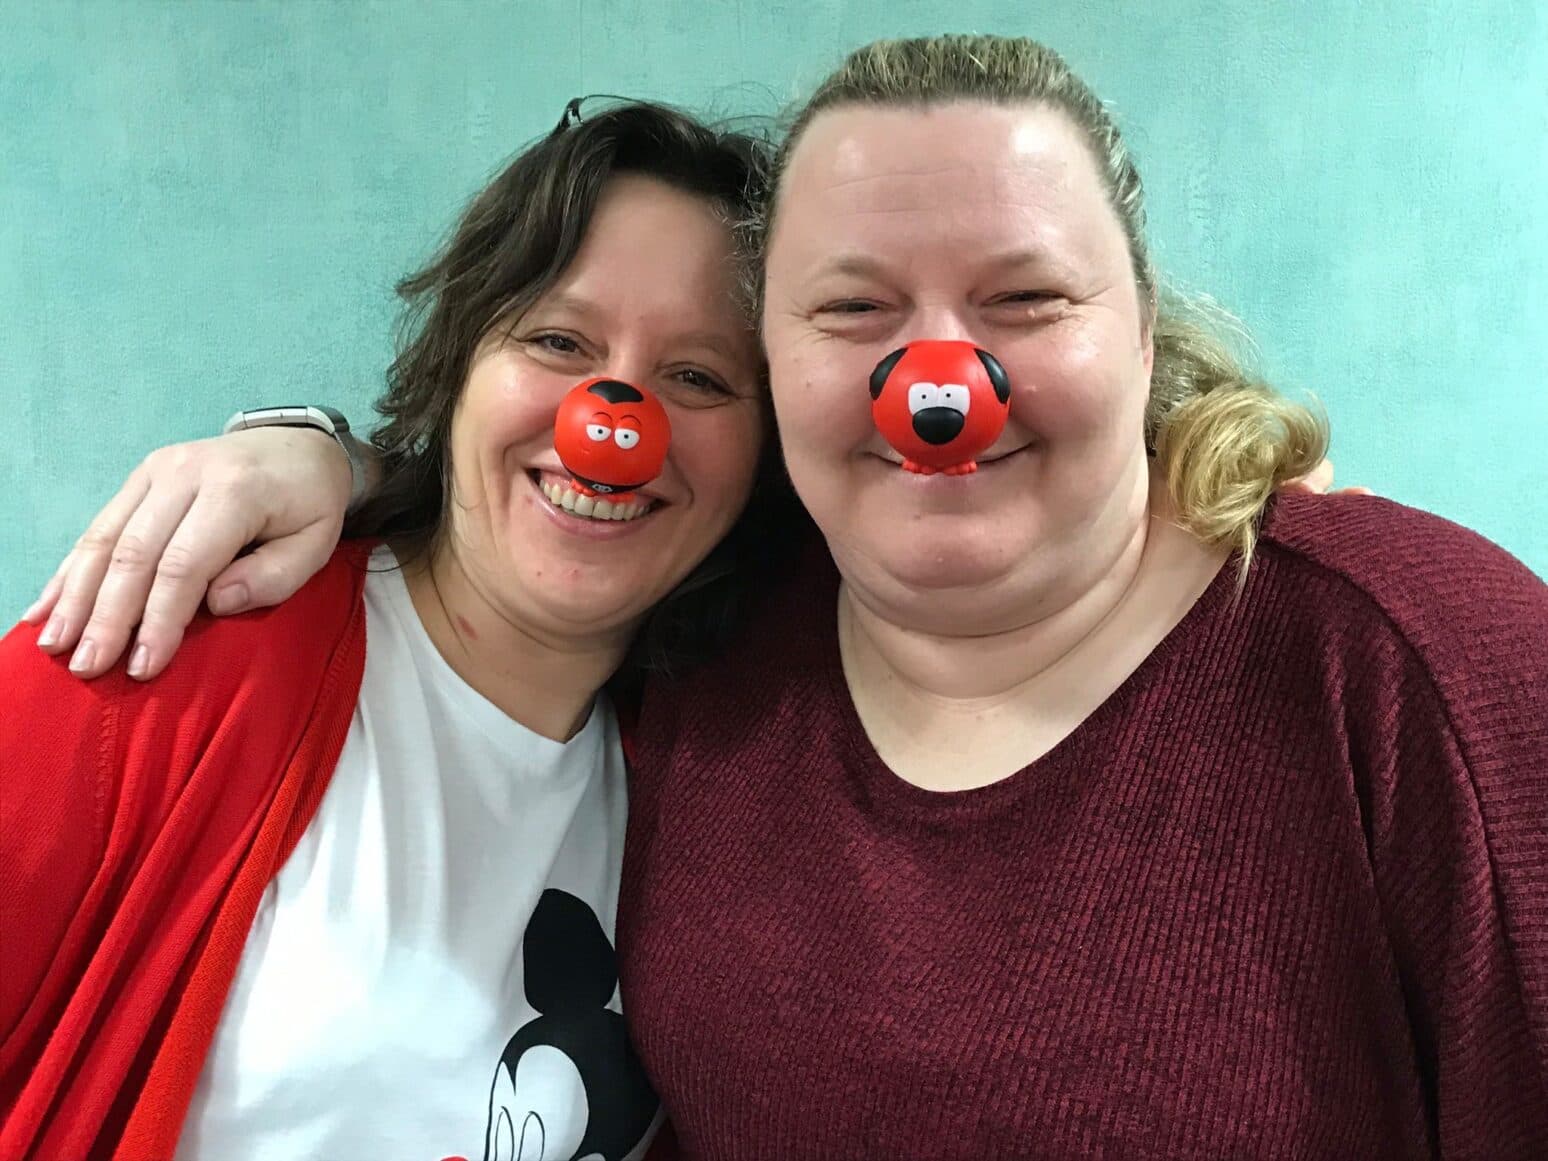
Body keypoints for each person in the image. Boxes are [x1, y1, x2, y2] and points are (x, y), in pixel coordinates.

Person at [23, 32, 1544, 1160]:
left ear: (1145, 332)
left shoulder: (1421, 660)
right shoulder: (185, 644)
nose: (934, 387)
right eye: (852, 310)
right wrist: (322, 451)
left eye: (695, 378)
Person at [0, 99, 790, 1160]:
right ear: (461, 366)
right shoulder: (163, 650)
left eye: (697, 377)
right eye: (559, 340)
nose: (611, 423)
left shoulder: (715, 784)